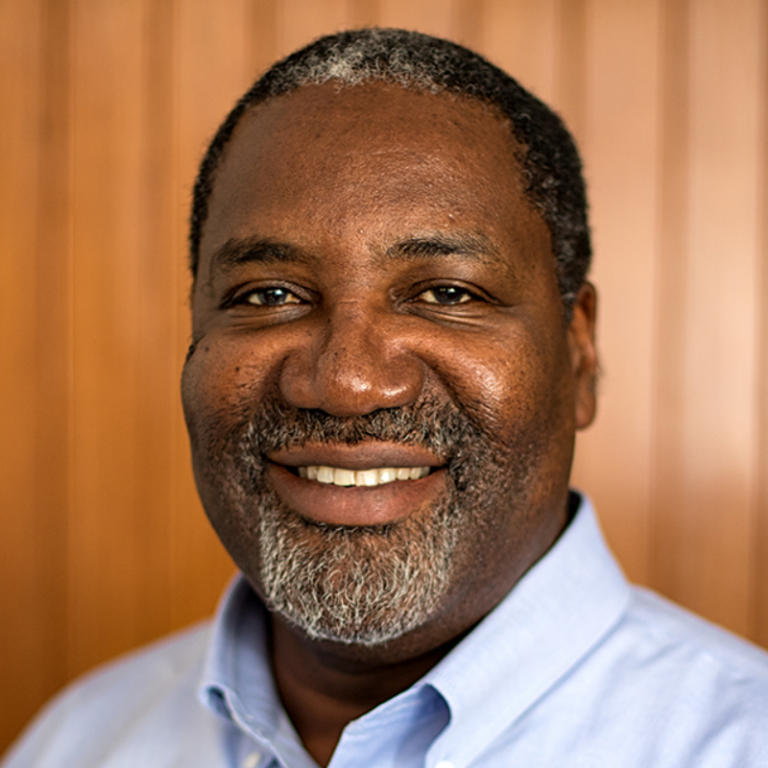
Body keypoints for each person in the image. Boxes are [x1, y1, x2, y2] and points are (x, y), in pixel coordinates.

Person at [4, 28, 768, 768]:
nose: (347, 383)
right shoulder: (80, 740)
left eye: (445, 291)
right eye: (269, 293)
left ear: (579, 351)